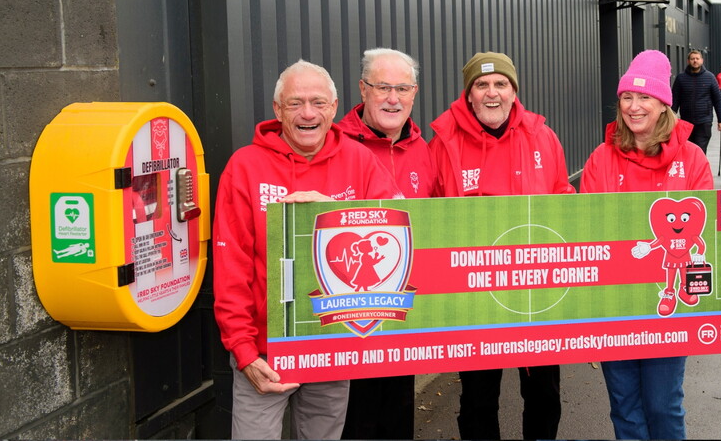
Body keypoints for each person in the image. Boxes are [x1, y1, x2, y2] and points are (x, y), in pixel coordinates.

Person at [213, 60, 403, 439]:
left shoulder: (360, 160)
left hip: (333, 344)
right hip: (264, 353)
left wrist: (331, 213)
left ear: (334, 108)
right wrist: (244, 351)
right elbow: (230, 265)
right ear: (277, 109)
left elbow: (397, 232)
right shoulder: (245, 167)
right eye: (295, 103)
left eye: (318, 102)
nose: (307, 113)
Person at [430, 51, 575, 440]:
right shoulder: (444, 142)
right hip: (475, 294)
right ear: (469, 94)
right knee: (478, 399)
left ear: (514, 91)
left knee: (544, 394)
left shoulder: (541, 135)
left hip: (537, 292)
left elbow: (563, 194)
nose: (491, 93)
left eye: (500, 84)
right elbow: (429, 213)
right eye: (482, 85)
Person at [581, 50, 713, 439]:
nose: (634, 107)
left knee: (663, 404)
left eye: (645, 99)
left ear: (664, 105)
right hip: (614, 305)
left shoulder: (692, 160)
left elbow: (706, 230)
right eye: (626, 98)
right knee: (624, 407)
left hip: (666, 313)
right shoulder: (600, 159)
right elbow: (588, 233)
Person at [337, 48, 437, 439]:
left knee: (397, 416)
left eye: (402, 88)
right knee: (353, 421)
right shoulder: (334, 144)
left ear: (414, 93)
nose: (393, 98)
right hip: (346, 313)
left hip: (402, 311)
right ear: (363, 90)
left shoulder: (423, 150)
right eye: (383, 87)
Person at [670, 50, 721, 154]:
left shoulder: (710, 77)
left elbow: (717, 99)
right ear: (688, 61)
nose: (695, 61)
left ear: (702, 60)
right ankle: (690, 170)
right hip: (686, 121)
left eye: (697, 58)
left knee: (700, 150)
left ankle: (700, 170)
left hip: (704, 121)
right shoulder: (681, 78)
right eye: (692, 59)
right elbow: (675, 99)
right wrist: (670, 118)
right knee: (687, 150)